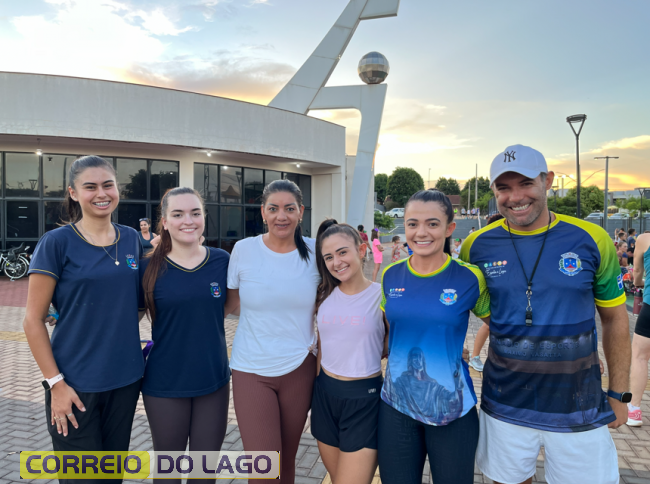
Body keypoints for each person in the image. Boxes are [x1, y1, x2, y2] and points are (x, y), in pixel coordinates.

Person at [460, 144, 630, 484]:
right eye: (503, 188)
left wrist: (618, 393)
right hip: (505, 403)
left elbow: (615, 319)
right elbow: (473, 308)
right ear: (493, 191)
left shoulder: (592, 239)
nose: (515, 197)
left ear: (548, 181)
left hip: (578, 404)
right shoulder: (475, 246)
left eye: (525, 183)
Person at [23, 156, 144, 478]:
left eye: (108, 185)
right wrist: (56, 384)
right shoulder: (56, 243)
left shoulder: (131, 238)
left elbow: (137, 303)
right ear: (74, 193)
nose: (101, 193)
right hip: (74, 384)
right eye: (90, 187)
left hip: (125, 380)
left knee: (111, 475)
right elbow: (33, 320)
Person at [378, 189, 491, 484]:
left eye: (432, 224)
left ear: (449, 228)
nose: (421, 232)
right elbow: (389, 331)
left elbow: (500, 326)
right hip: (396, 406)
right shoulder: (390, 275)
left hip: (450, 409)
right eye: (412, 224)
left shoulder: (470, 277)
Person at [139, 187, 235, 483]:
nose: (188, 221)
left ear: (204, 216)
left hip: (213, 380)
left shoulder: (221, 261)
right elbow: (124, 317)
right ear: (165, 222)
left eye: (195, 213)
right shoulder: (147, 267)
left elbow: (228, 307)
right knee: (167, 473)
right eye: (178, 214)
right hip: (164, 383)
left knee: (204, 474)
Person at [226, 179, 318, 484]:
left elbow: (335, 300)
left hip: (299, 368)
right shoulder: (244, 249)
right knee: (264, 469)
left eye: (289, 209)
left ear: (300, 211)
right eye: (274, 208)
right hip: (251, 368)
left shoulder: (316, 251)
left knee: (286, 462)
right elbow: (231, 304)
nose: (282, 216)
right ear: (263, 212)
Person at [312, 220, 387, 484]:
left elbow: (397, 342)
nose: (336, 262)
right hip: (325, 396)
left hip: (364, 400)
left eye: (342, 252)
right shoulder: (324, 295)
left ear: (362, 250)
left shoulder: (382, 296)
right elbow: (322, 345)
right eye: (328, 257)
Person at [628, 233, 650, 426]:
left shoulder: (644, 239)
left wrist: (638, 283)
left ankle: (634, 410)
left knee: (640, 356)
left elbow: (637, 272)